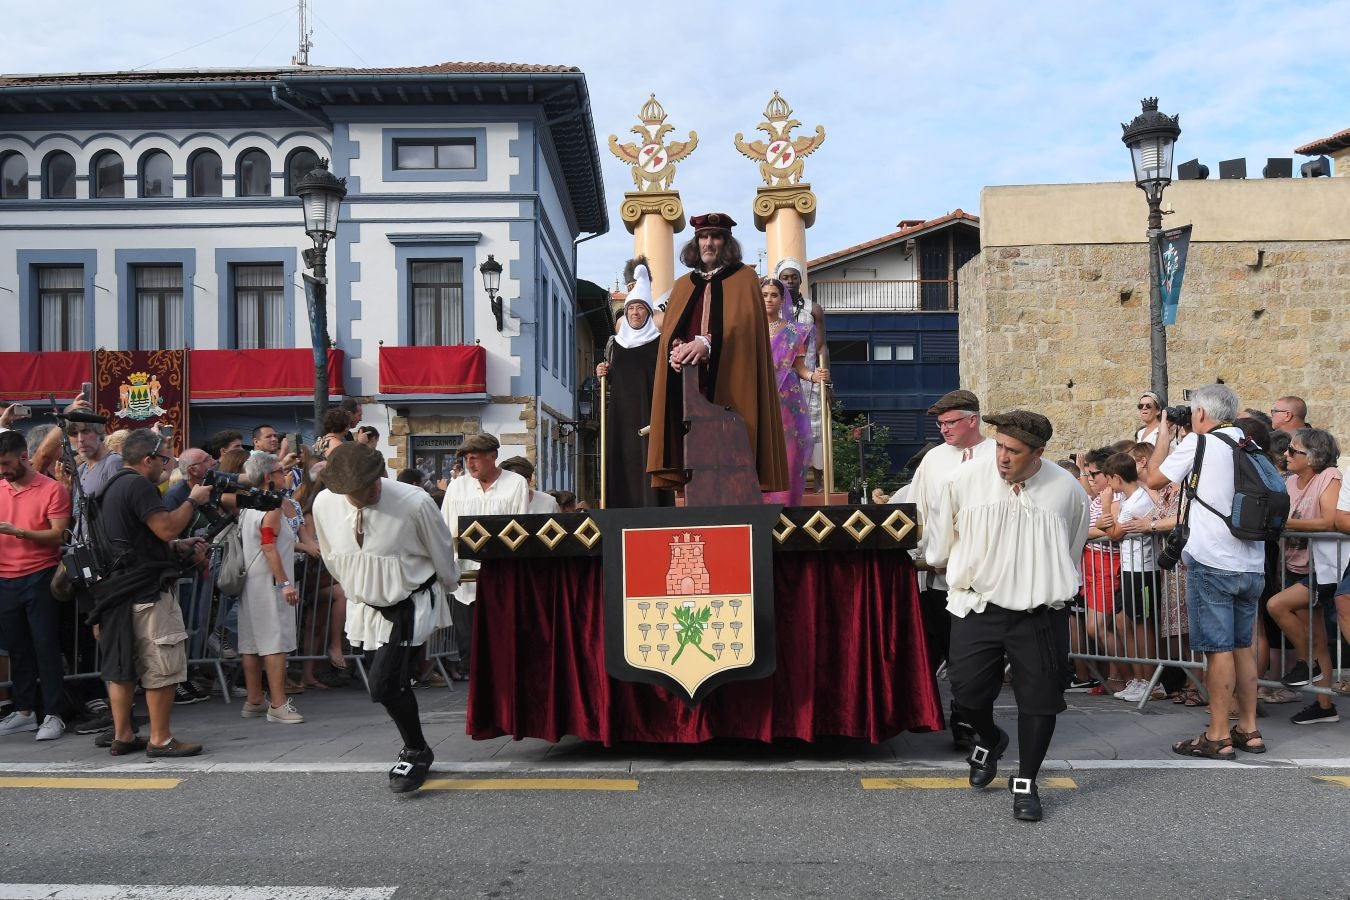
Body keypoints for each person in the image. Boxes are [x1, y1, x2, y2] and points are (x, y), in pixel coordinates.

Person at [925, 410, 1089, 822]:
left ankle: (1027, 782)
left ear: (1038, 453)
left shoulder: (1066, 489)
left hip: (1039, 612)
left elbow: (1070, 548)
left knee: (1040, 701)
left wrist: (1040, 580)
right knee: (966, 692)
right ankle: (990, 737)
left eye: (1013, 451)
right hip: (978, 605)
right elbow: (941, 545)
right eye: (999, 445)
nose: (1002, 456)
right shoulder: (965, 481)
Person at [313, 442, 459, 793]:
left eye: (376, 478)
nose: (376, 486)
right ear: (343, 489)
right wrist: (357, 587)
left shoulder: (415, 502)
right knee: (385, 681)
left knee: (382, 683)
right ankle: (417, 745)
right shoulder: (324, 504)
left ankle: (416, 749)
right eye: (366, 485)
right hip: (365, 605)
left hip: (408, 603)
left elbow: (441, 551)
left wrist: (450, 586)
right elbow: (331, 553)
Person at [1145, 384, 1269, 759]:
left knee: (1218, 652)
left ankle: (1217, 734)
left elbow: (1153, 478)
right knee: (1242, 647)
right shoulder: (1250, 444)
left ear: (1200, 414)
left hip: (1214, 561)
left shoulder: (1199, 444)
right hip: (1252, 562)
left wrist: (1164, 433)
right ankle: (1249, 728)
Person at [647, 212, 787, 495]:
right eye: (703, 237)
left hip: (731, 381)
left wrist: (707, 343)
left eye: (716, 237)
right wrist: (676, 350)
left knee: (732, 458)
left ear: (727, 242)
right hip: (691, 385)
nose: (709, 243)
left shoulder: (745, 278)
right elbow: (673, 328)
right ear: (696, 242)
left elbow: (746, 328)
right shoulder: (683, 284)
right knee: (694, 455)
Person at [89, 428, 209, 757]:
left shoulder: (110, 485)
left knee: (122, 665)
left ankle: (124, 734)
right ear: (148, 459)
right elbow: (167, 525)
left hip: (117, 589)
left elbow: (136, 539)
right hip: (145, 590)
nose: (166, 464)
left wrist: (172, 545)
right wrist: (192, 500)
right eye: (164, 458)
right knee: (161, 663)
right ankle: (161, 739)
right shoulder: (140, 485)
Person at [889, 389, 995, 744]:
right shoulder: (934, 459)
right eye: (940, 424)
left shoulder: (997, 455)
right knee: (945, 651)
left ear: (972, 420)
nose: (944, 430)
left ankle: (969, 721)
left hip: (983, 577)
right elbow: (914, 509)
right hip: (938, 578)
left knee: (974, 659)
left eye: (950, 422)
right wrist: (915, 555)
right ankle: (940, 715)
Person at [0, 430, 72, 741]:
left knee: (45, 646)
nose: (3, 470)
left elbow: (59, 536)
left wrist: (19, 532)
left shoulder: (53, 489)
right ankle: (26, 710)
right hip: (5, 577)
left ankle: (53, 713)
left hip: (41, 574)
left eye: (6, 463)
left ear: (24, 457)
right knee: (17, 647)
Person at [1267, 428, 1342, 725]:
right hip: (1292, 564)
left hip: (1322, 568)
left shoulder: (1329, 476)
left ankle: (1306, 663)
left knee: (1276, 605)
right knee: (1320, 638)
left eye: (1293, 451)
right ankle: (1325, 706)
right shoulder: (1290, 482)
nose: (1286, 455)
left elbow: (1329, 520)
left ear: (1312, 457)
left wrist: (1287, 524)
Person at [440, 434, 528, 678]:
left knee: (500, 635)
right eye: (467, 459)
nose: (470, 464)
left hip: (500, 574)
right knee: (468, 640)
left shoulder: (516, 483)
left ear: (493, 456)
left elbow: (519, 527)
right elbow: (445, 527)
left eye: (475, 458)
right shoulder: (458, 486)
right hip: (465, 576)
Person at [595, 259, 670, 509]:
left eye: (640, 308)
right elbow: (611, 375)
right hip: (621, 415)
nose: (635, 313)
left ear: (648, 312)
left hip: (650, 412)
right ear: (625, 312)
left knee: (650, 463)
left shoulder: (660, 342)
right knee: (622, 461)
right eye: (631, 309)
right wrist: (603, 371)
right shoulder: (615, 343)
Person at [236, 452, 303, 724]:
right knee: (275, 641)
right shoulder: (271, 507)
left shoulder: (248, 504)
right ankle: (277, 703)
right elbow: (268, 546)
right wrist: (284, 582)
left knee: (252, 642)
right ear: (268, 478)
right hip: (269, 581)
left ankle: (254, 699)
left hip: (251, 580)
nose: (283, 474)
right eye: (279, 471)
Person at [759, 276, 828, 506]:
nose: (769, 299)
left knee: (790, 451)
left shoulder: (794, 331)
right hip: (757, 397)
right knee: (759, 449)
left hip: (788, 399)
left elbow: (800, 367)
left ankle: (785, 505)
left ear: (782, 300)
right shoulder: (748, 329)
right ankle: (759, 507)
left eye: (774, 295)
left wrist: (813, 376)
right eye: (765, 294)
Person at [775, 257, 829, 492]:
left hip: (808, 376)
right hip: (779, 377)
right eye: (784, 278)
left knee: (814, 427)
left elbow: (821, 347)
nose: (789, 282)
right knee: (782, 427)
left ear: (800, 280)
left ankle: (818, 481)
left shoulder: (812, 309)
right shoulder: (771, 308)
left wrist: (827, 379)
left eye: (793, 277)